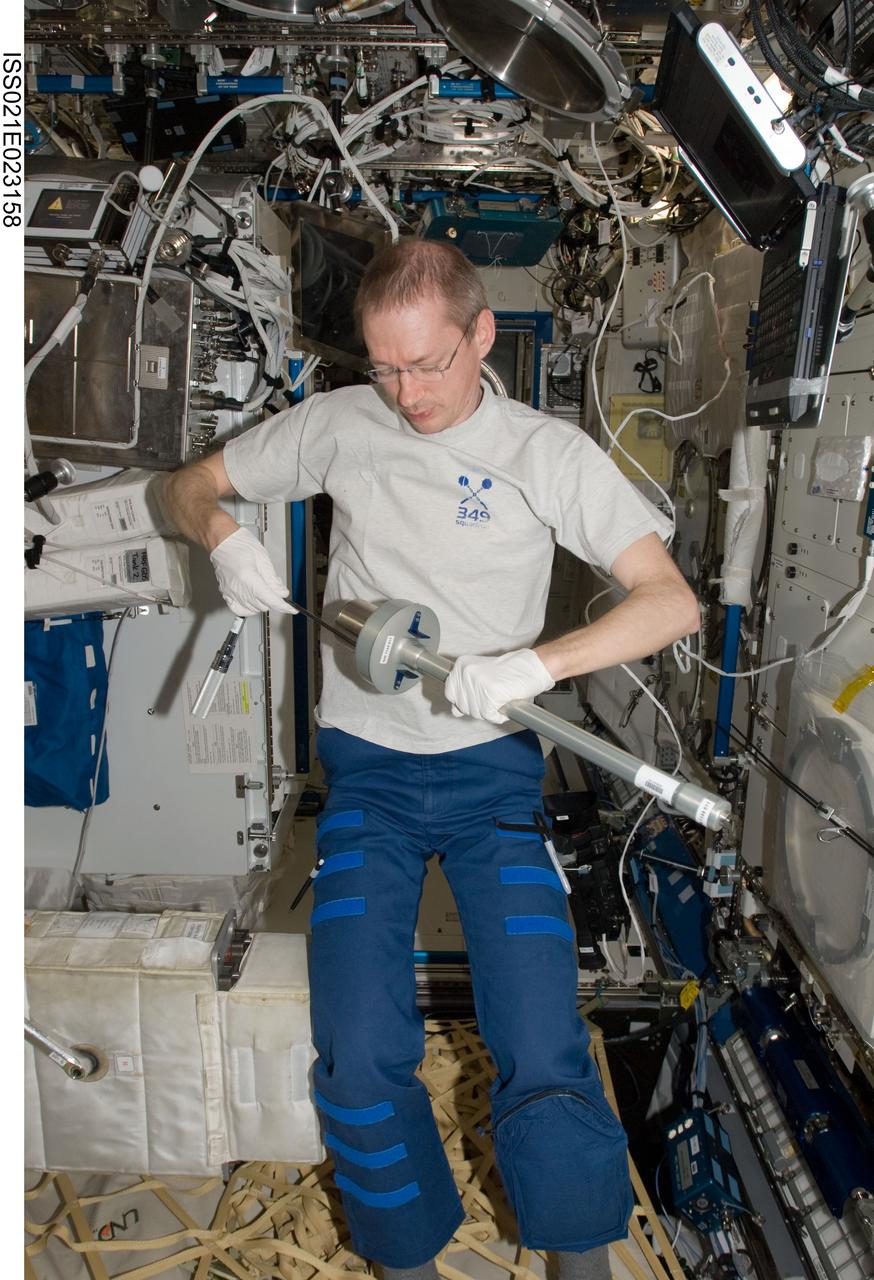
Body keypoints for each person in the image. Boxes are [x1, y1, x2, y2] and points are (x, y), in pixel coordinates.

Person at [164, 238, 699, 1279]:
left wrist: (531, 664)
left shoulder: (547, 453)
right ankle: (405, 1254)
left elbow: (667, 600)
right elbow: (189, 484)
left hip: (494, 775)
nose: (405, 392)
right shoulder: (341, 424)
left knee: (541, 1039)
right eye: (385, 366)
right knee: (358, 1051)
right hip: (367, 772)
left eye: (428, 364)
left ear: (481, 333)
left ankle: (576, 1258)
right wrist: (222, 534)